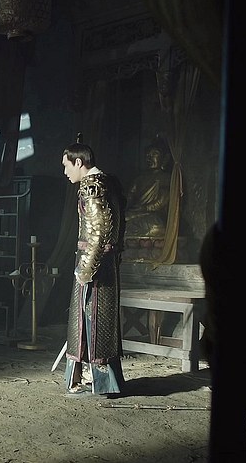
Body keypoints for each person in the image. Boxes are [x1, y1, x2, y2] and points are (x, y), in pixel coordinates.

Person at [60, 133, 127, 396]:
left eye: (67, 165)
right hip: (107, 262)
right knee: (96, 322)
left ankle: (97, 379)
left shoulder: (92, 187)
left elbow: (99, 232)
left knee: (92, 321)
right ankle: (96, 377)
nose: (65, 172)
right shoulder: (109, 182)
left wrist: (85, 270)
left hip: (95, 264)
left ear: (78, 162)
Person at [124, 137, 171, 238]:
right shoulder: (139, 179)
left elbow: (164, 199)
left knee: (156, 224)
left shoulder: (166, 177)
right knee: (122, 219)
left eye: (154, 154)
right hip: (137, 212)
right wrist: (125, 208)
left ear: (165, 158)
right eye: (148, 155)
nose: (149, 158)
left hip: (153, 214)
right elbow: (130, 197)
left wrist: (146, 208)